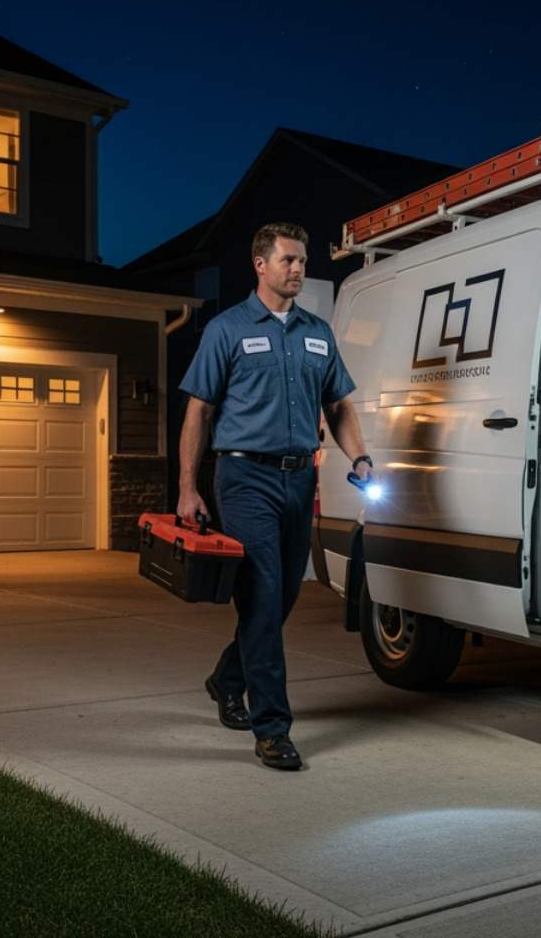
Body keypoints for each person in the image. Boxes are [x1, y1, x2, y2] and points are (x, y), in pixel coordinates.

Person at [177, 222, 377, 771]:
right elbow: (199, 410)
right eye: (288, 259)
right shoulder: (228, 329)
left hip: (299, 479)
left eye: (302, 259)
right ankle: (272, 729)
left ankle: (227, 677)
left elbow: (339, 405)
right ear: (260, 265)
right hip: (244, 479)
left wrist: (358, 458)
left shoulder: (318, 333)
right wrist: (187, 488)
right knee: (263, 598)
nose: (299, 268)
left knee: (284, 596)